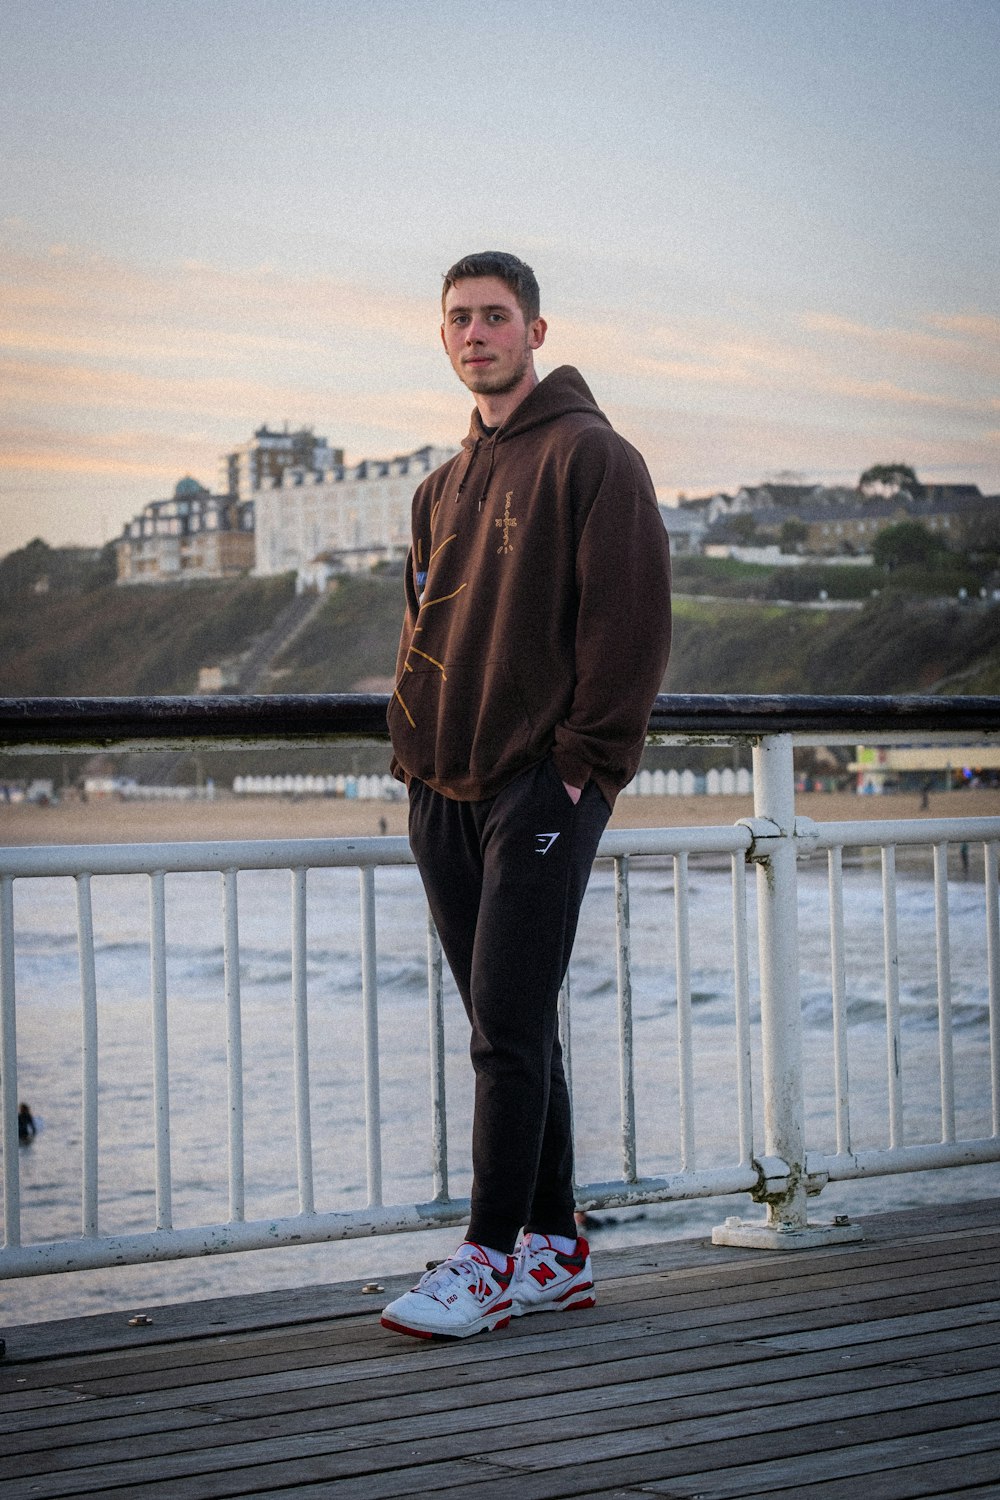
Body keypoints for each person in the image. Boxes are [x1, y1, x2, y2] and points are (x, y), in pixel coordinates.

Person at [382, 251, 672, 1339]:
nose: (474, 335)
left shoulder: (595, 458)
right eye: (456, 319)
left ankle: (485, 1262)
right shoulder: (438, 486)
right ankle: (552, 1242)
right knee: (509, 1018)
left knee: (504, 1027)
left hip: (541, 790)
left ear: (536, 332)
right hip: (441, 786)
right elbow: (420, 630)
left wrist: (580, 766)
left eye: (494, 318)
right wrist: (410, 754)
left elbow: (632, 626)